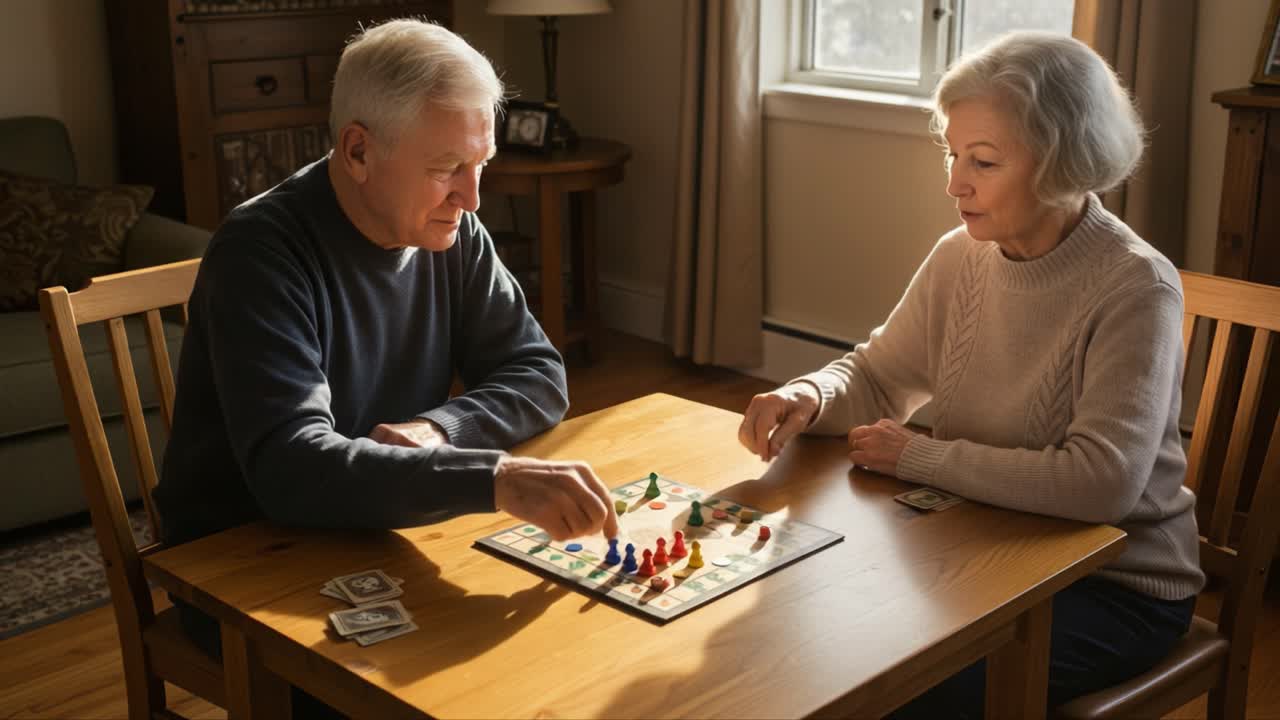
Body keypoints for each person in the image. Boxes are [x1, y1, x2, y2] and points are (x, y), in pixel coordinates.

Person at [153, 18, 617, 716]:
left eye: (480, 164)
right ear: (359, 151)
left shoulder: (455, 229)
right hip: (241, 562)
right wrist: (492, 477)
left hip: (371, 533)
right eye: (445, 168)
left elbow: (536, 371)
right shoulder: (259, 253)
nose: (473, 197)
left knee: (547, 666)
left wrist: (441, 428)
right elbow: (290, 467)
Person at [738, 31, 1203, 718]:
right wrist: (810, 394)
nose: (955, 183)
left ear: (1063, 161)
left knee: (906, 689)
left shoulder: (1136, 286)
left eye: (983, 161)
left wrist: (918, 456)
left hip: (1115, 584)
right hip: (984, 544)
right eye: (953, 154)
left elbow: (1101, 483)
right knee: (812, 639)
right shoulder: (960, 255)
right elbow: (877, 377)